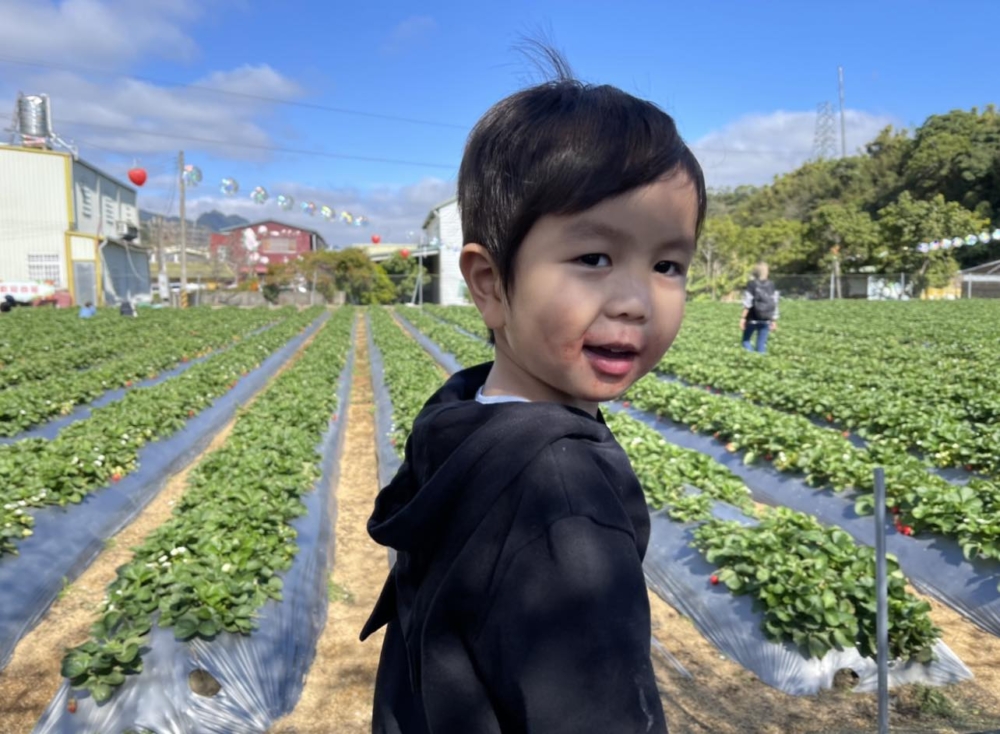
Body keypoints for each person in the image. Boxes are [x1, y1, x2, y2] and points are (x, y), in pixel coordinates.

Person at [359, 47, 705, 734]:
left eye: (668, 264)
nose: (635, 299)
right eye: (594, 258)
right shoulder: (562, 494)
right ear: (489, 284)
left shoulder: (461, 416)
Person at [739, 262, 779, 353]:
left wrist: (743, 318)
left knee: (746, 341)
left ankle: (752, 357)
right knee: (761, 345)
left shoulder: (751, 284)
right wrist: (774, 320)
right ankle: (761, 361)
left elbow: (748, 303)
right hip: (766, 318)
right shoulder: (772, 285)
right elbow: (775, 303)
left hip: (752, 318)